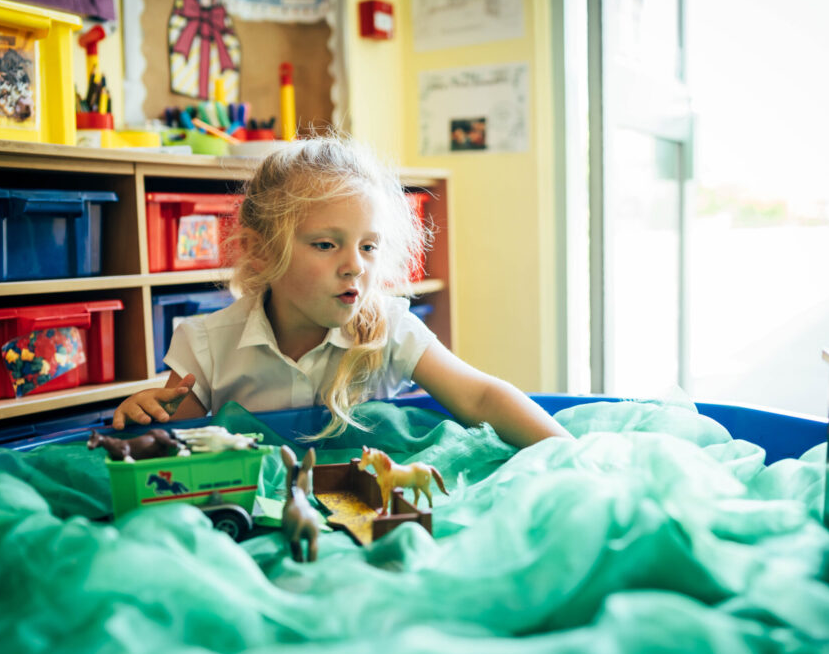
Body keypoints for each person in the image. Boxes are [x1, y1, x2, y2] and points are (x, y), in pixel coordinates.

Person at [112, 135, 571, 447]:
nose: (355, 265)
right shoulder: (205, 345)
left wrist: (568, 454)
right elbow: (178, 448)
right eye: (326, 245)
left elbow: (481, 398)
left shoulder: (389, 328)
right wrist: (143, 417)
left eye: (369, 246)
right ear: (261, 251)